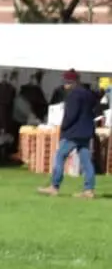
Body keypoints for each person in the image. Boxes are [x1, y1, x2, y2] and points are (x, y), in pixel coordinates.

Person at [39, 69, 102, 199]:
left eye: (67, 82)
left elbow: (70, 115)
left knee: (60, 156)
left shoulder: (73, 95)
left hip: (73, 132)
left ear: (73, 82)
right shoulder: (89, 94)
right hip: (86, 131)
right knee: (86, 161)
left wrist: (63, 127)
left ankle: (54, 186)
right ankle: (89, 190)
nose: (65, 85)